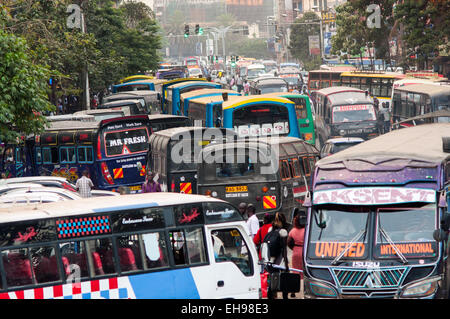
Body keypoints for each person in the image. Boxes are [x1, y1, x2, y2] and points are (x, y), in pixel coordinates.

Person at [264, 212, 289, 299]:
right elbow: (284, 248)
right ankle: (285, 297)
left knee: (272, 279)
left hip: (271, 259)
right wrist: (286, 264)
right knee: (284, 280)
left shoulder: (270, 230)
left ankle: (271, 296)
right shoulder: (283, 232)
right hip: (280, 260)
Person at [287, 215, 305, 279]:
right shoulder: (306, 230)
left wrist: (294, 248)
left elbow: (288, 242)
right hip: (304, 251)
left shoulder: (293, 231)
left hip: (296, 252)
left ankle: (297, 286)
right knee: (304, 270)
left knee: (296, 270)